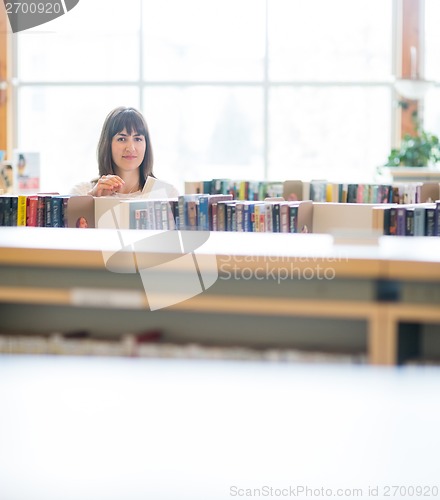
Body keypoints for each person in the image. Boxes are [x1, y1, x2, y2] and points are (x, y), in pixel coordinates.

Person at [71, 106, 155, 197]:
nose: (131, 148)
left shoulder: (165, 194)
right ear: (107, 144)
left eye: (138, 139)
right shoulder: (82, 192)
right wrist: (93, 199)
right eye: (122, 139)